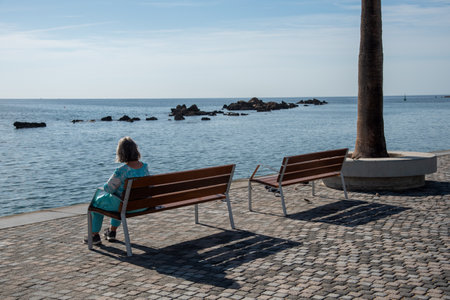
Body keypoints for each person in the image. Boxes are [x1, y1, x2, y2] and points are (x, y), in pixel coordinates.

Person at [84, 136, 150, 245]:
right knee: (120, 201)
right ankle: (112, 232)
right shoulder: (145, 167)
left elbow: (108, 189)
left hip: (125, 206)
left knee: (96, 204)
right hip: (141, 205)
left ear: (121, 153)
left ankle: (94, 235)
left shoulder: (122, 171)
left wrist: (105, 186)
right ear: (136, 150)